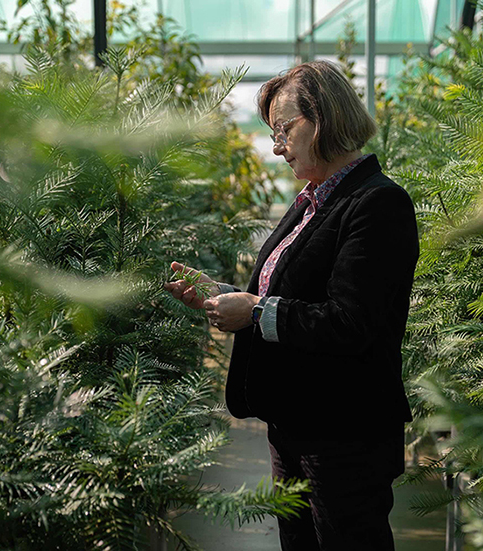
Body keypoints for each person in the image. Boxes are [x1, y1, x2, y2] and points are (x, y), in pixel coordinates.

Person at [164, 60, 419, 551]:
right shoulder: (311, 201)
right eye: (273, 133)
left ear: (323, 119)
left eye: (284, 130)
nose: (277, 146)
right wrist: (221, 294)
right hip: (295, 424)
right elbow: (291, 292)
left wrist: (255, 311)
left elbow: (350, 321)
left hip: (344, 432)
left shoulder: (377, 203)